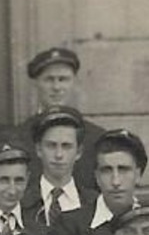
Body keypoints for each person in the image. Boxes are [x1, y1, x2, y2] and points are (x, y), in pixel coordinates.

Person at [20, 47, 107, 192]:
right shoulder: (19, 136)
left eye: (63, 79)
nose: (56, 87)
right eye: (49, 80)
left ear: (75, 83)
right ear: (36, 84)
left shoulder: (97, 138)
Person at [23, 106, 92, 226]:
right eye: (51, 146)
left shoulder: (94, 203)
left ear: (79, 152)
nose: (59, 155)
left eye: (66, 146)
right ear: (39, 149)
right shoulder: (21, 201)